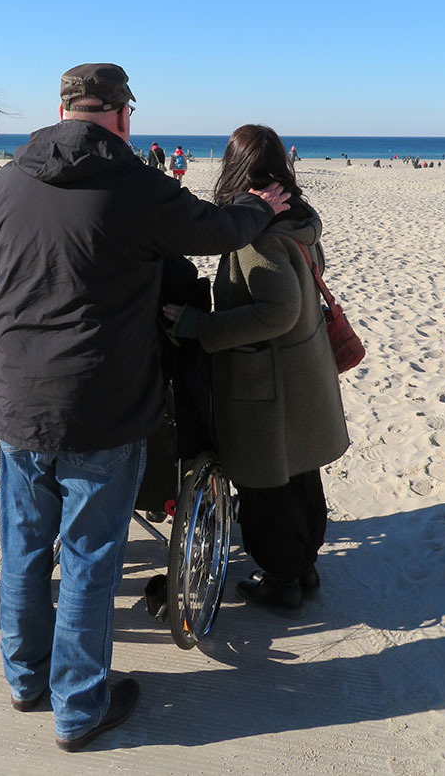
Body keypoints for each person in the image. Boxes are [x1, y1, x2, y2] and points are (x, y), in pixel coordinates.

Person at [0, 63, 290, 751]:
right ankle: (78, 707)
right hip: (100, 403)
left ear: (59, 110)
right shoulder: (135, 183)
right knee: (91, 556)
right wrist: (261, 210)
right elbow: (216, 230)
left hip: (17, 398)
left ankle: (25, 679)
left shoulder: (6, 180)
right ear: (123, 115)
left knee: (26, 547)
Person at [164, 124, 349, 617]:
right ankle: (302, 568)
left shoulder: (257, 233)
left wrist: (200, 325)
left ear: (235, 168)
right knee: (300, 473)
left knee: (267, 486)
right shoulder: (300, 217)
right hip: (302, 370)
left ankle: (282, 579)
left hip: (265, 380)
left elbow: (277, 311)